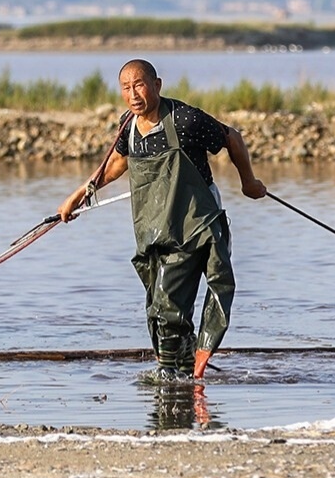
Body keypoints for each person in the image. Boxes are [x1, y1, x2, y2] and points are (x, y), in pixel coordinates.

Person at [58, 59, 267, 383]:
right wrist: (81, 193)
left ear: (157, 85)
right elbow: (118, 161)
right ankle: (182, 372)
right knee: (158, 304)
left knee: (168, 303)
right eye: (126, 88)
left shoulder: (184, 119)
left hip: (196, 222)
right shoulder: (129, 125)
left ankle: (175, 376)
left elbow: (232, 138)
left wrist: (248, 182)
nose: (133, 94)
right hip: (154, 225)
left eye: (139, 84)